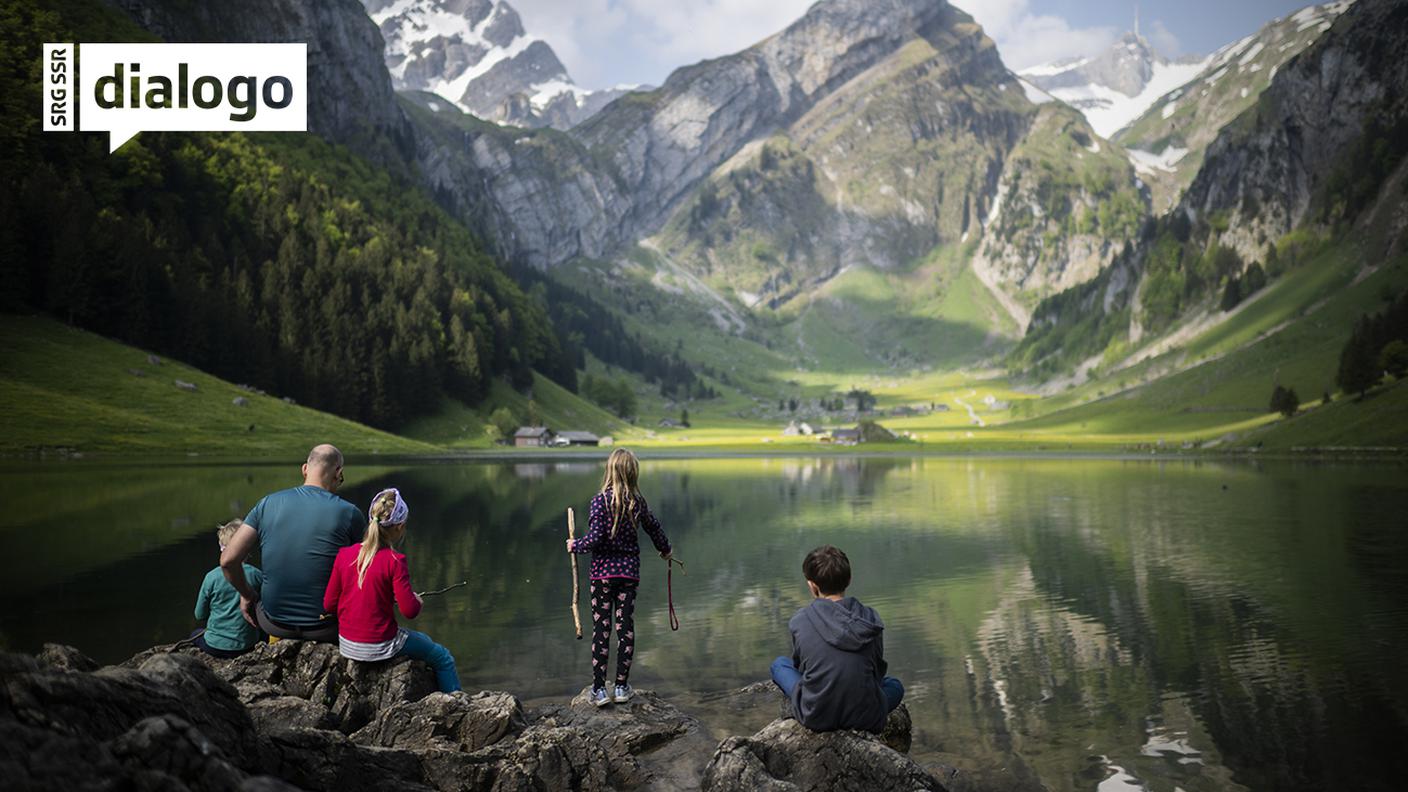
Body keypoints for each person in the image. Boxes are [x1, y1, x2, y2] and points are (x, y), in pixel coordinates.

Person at [220, 444, 364, 642]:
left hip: (274, 623)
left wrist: (247, 595)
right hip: (327, 626)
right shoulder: (349, 513)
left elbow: (227, 560)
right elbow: (370, 567)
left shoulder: (267, 504)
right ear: (339, 473)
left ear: (305, 469)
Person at [323, 488, 460, 693]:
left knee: (426, 643)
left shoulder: (344, 555)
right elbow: (409, 611)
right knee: (442, 657)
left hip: (348, 644)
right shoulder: (395, 561)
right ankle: (456, 701)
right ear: (400, 526)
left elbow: (328, 604)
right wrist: (416, 601)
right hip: (380, 646)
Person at [567, 448, 672, 708]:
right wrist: (665, 549)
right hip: (628, 575)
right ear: (632, 472)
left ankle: (600, 690)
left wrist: (574, 545)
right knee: (625, 629)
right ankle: (622, 687)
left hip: (602, 576)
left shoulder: (599, 501)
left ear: (610, 470)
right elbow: (653, 527)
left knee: (601, 630)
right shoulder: (638, 502)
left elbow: (595, 539)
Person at [770, 545, 904, 733]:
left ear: (812, 585)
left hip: (816, 715)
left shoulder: (800, 621)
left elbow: (803, 669)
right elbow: (877, 671)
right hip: (866, 716)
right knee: (895, 685)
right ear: (849, 580)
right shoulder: (870, 618)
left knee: (779, 665)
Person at [192, 519, 264, 658]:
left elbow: (200, 615)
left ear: (222, 547)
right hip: (248, 645)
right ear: (247, 548)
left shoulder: (211, 577)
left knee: (195, 634)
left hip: (215, 646)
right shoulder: (257, 575)